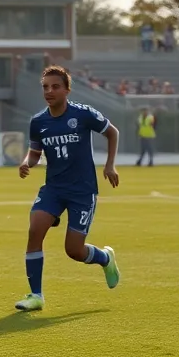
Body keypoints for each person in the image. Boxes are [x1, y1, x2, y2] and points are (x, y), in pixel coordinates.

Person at [15, 66, 121, 311]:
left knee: (73, 250)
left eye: (55, 86)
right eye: (45, 87)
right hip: (54, 188)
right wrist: (26, 162)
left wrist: (110, 166)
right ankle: (36, 296)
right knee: (35, 229)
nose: (49, 91)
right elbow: (35, 153)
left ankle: (105, 258)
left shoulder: (83, 115)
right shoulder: (38, 121)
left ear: (67, 90)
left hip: (82, 191)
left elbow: (112, 132)